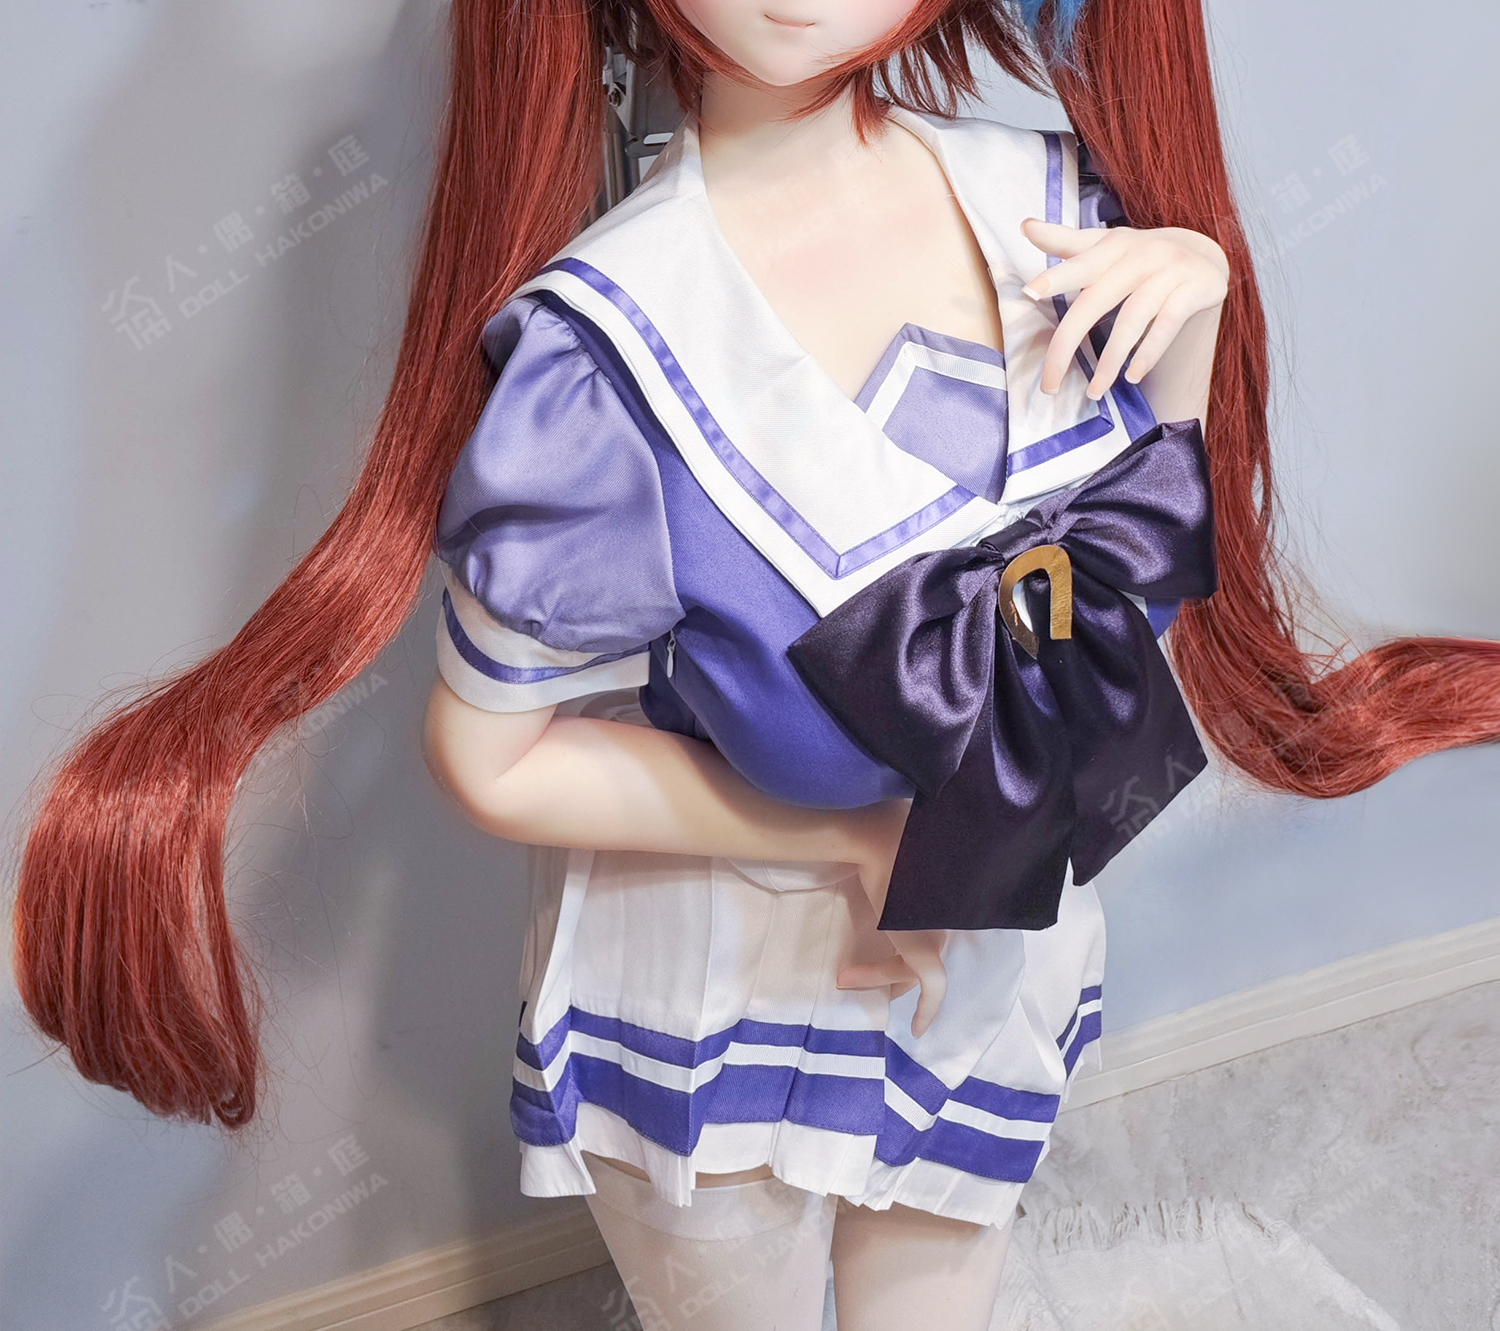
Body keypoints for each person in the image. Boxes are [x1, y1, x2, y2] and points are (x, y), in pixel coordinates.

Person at [11, 2, 1499, 1329]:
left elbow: (1123, 582)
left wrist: (1195, 310)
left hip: (990, 929)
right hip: (721, 964)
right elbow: (489, 752)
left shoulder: (1057, 217)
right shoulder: (613, 349)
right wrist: (846, 841)